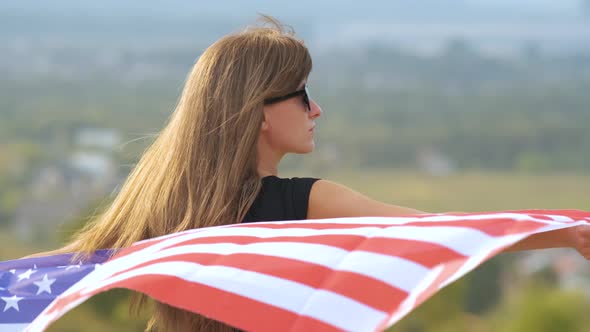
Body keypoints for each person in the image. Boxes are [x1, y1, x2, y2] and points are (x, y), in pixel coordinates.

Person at [27, 15, 590, 332]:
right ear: (260, 112)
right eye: (302, 96)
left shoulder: (164, 207)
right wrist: (566, 233)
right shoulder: (309, 201)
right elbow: (437, 233)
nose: (315, 109)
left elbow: (61, 270)